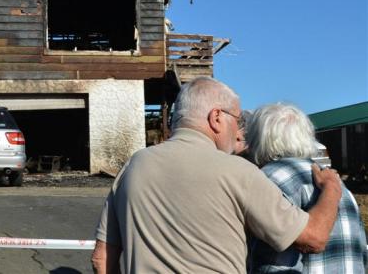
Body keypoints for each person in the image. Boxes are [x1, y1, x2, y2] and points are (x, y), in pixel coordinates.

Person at [91, 77, 342, 274]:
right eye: (238, 119)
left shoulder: (133, 166)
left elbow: (101, 258)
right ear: (217, 117)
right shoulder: (238, 172)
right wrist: (332, 188)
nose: (239, 133)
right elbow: (314, 238)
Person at [246, 103, 367, 273]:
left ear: (256, 138)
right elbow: (360, 253)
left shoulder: (270, 178)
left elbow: (273, 264)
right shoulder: (337, 184)